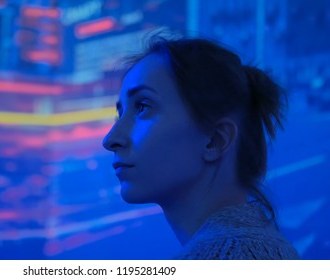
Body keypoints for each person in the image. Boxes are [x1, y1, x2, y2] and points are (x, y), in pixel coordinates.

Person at [102, 35, 300, 260]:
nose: (110, 139)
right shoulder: (268, 249)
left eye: (143, 107)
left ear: (215, 140)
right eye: (120, 113)